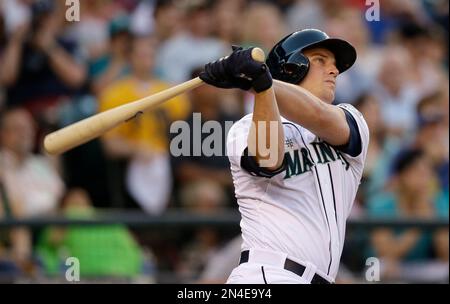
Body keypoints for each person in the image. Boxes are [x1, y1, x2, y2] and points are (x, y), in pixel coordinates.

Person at [199, 29, 369, 284]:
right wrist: (261, 83)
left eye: (335, 66)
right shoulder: (245, 128)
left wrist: (259, 80)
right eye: (321, 60)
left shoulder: (350, 117)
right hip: (268, 274)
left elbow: (319, 116)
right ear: (292, 67)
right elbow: (268, 158)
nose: (334, 70)